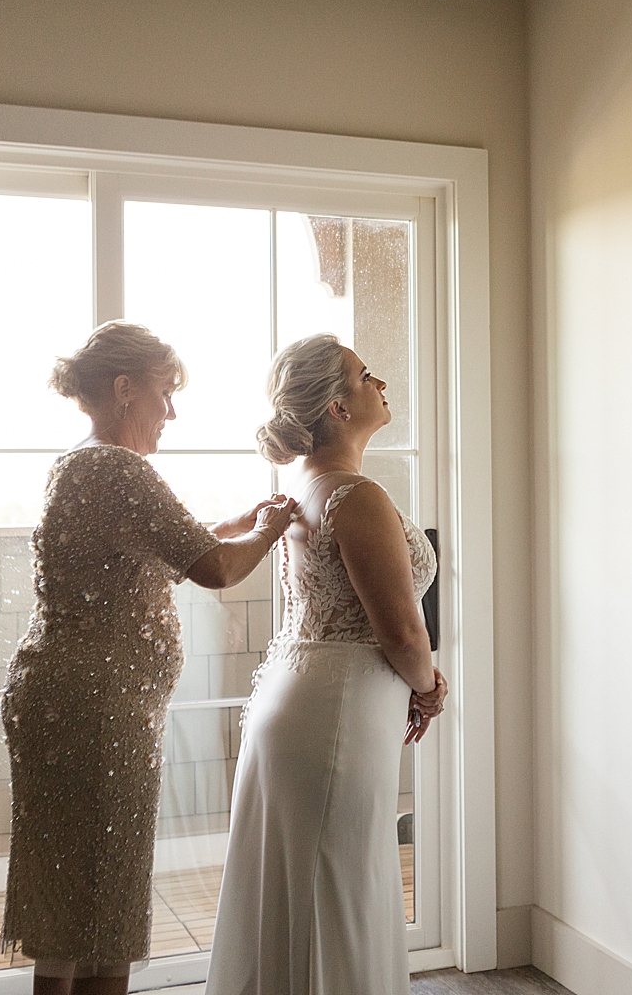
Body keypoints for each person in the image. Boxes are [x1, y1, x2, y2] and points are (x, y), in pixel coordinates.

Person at [0, 321, 297, 995]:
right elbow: (217, 568)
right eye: (165, 394)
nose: (171, 412)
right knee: (96, 901)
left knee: (83, 902)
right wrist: (269, 528)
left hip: (80, 701)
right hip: (95, 710)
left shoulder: (83, 462)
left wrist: (237, 524)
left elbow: (164, 543)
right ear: (125, 389)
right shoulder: (116, 466)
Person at [206, 334, 447, 995]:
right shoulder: (356, 496)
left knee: (307, 889)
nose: (382, 386)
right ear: (338, 406)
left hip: (302, 695)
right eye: (366, 376)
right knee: (335, 889)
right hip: (338, 709)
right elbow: (399, 630)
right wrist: (429, 690)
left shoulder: (304, 489)